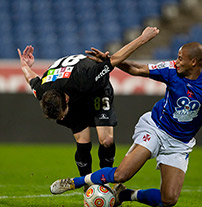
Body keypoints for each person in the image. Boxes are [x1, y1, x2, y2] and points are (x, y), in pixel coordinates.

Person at [50, 41, 202, 207]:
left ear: (194, 62)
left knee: (168, 200)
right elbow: (136, 68)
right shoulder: (171, 70)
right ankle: (75, 182)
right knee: (121, 174)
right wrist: (110, 62)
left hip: (179, 144)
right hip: (155, 128)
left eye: (181, 58)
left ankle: (124, 196)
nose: (177, 61)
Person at [17, 27, 159, 179]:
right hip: (72, 93)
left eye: (62, 115)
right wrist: (25, 65)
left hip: (96, 90)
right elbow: (31, 78)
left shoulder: (86, 78)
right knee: (83, 142)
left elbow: (115, 59)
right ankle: (87, 184)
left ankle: (105, 180)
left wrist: (143, 38)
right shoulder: (43, 91)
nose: (62, 119)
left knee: (106, 140)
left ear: (65, 100)